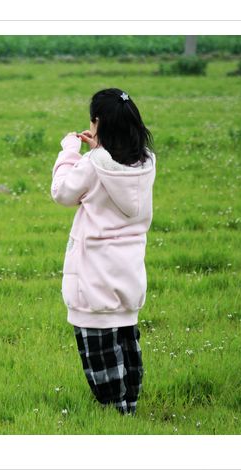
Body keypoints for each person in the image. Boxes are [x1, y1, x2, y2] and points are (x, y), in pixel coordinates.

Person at [50, 88, 156, 415]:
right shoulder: (146, 162)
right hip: (128, 274)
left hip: (94, 276)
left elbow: (63, 192)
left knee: (100, 355)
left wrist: (70, 151)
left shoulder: (94, 163)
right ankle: (130, 411)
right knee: (127, 346)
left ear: (97, 123)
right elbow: (113, 173)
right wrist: (98, 151)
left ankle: (115, 420)